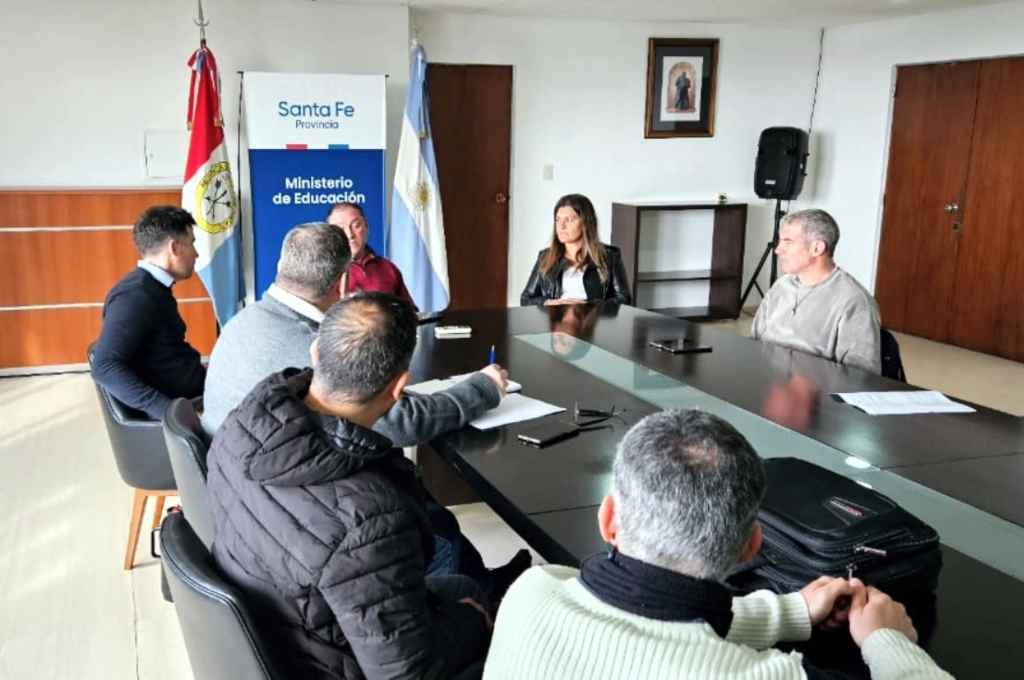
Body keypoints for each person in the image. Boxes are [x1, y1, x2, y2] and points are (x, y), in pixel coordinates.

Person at [484, 409, 952, 680]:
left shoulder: (530, 591)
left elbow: (651, 617)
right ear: (752, 545)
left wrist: (789, 612)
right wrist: (887, 640)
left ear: (608, 519)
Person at [201, 223, 529, 594]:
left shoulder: (243, 321)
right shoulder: (309, 344)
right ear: (343, 284)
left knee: (422, 500)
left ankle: (483, 582)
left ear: (282, 264)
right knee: (430, 521)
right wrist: (482, 388)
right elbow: (395, 422)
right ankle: (476, 599)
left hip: (248, 499)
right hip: (292, 518)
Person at [207, 293, 493, 680]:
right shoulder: (368, 518)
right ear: (399, 388)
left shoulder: (242, 423)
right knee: (489, 612)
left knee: (465, 584)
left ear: (315, 352)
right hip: (325, 661)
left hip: (282, 625)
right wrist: (473, 623)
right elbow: (406, 674)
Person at [91, 205, 205, 420]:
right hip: (186, 402)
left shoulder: (155, 288)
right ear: (174, 248)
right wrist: (172, 414)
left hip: (194, 388)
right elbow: (104, 367)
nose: (196, 254)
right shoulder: (135, 295)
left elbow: (164, 351)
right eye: (192, 244)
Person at [752, 209, 882, 374]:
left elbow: (860, 377)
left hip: (813, 394)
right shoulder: (781, 287)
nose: (778, 250)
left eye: (788, 241)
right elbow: (754, 346)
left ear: (817, 248)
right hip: (767, 383)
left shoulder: (854, 301)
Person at [520, 193, 631, 306]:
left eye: (569, 220)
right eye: (557, 219)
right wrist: (548, 303)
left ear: (585, 223)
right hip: (556, 321)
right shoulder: (545, 257)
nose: (561, 226)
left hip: (594, 322)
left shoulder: (609, 256)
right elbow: (526, 299)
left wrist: (588, 306)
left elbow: (623, 299)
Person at [326, 201, 416, 307]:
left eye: (356, 225)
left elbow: (410, 313)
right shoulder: (323, 272)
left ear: (366, 226)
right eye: (341, 229)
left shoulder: (387, 268)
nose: (350, 235)